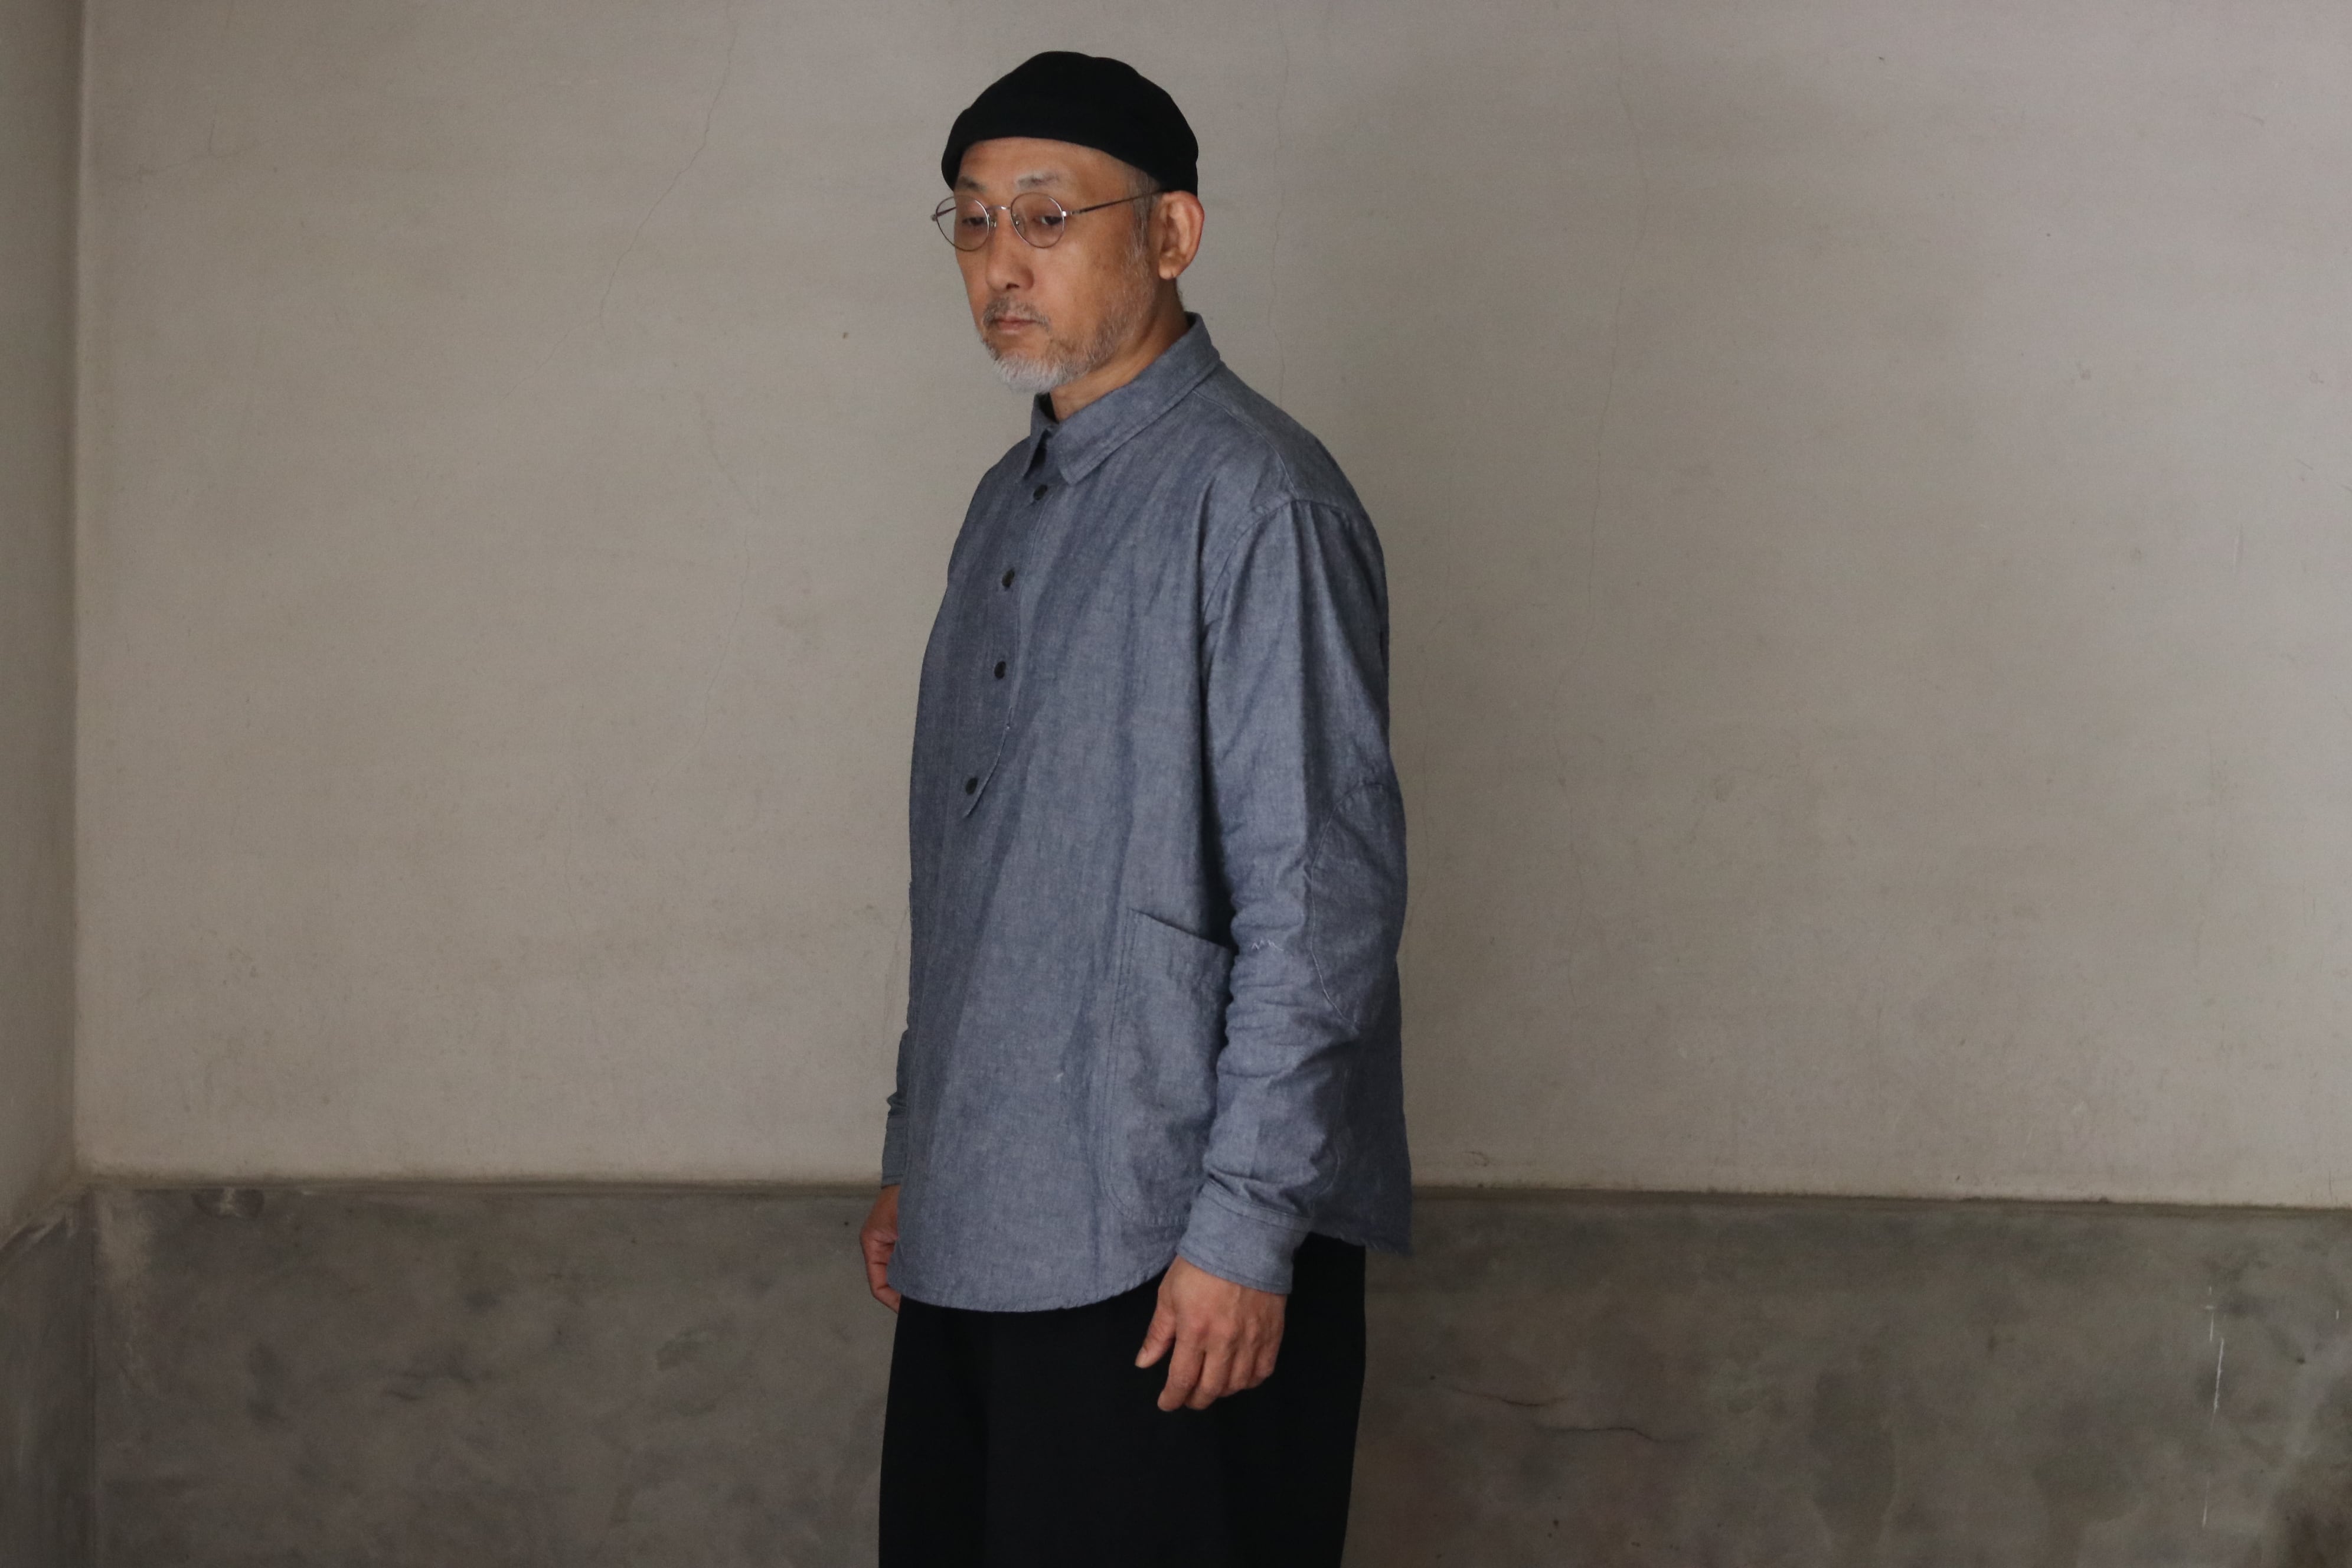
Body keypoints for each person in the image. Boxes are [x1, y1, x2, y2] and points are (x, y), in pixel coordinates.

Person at [858, 49, 1411, 1567]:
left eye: (1047, 217)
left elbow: (1322, 900)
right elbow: (965, 871)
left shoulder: (1260, 499)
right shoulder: (1008, 501)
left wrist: (1245, 1226)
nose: (1001, 263)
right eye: (973, 220)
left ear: (1172, 234)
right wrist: (922, 1148)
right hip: (986, 1217)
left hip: (1174, 1246)